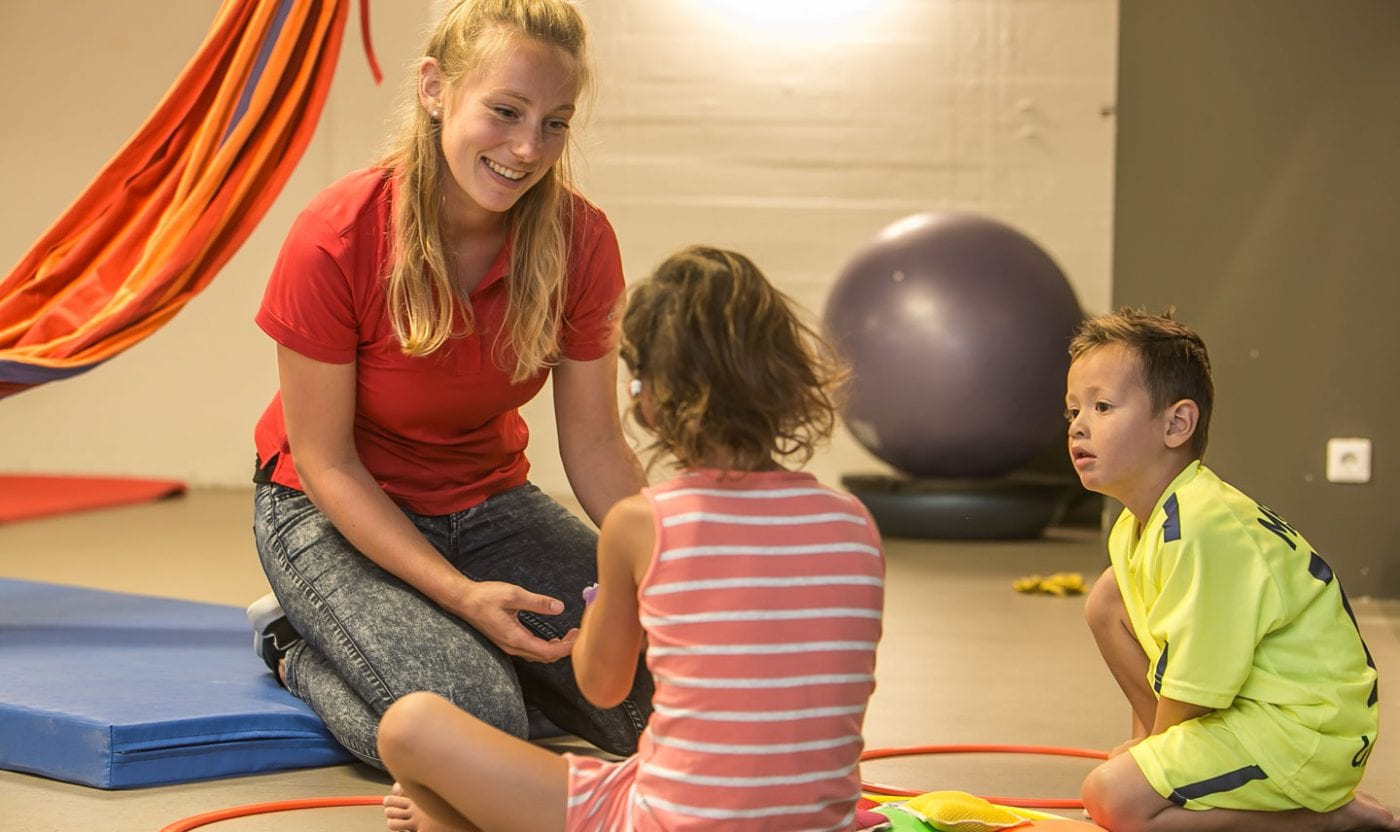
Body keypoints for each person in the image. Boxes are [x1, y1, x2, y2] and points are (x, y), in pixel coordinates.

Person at [245, 0, 653, 770]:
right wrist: (459, 596)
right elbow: (328, 463)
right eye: (505, 111)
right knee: (478, 729)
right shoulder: (336, 236)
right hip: (328, 507)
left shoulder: (581, 239)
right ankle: (295, 647)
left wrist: (676, 567)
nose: (528, 148)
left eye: (555, 122)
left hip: (488, 501)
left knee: (667, 698)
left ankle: (447, 652)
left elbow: (597, 444)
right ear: (435, 89)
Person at [376, 245, 888, 832]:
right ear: (787, 377)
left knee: (410, 726)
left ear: (646, 400)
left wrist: (606, 607)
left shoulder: (642, 524)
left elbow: (601, 686)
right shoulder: (854, 522)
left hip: (664, 820)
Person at [1067, 307, 1396, 832]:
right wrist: (1154, 755)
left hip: (1303, 732)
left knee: (1112, 799)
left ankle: (1327, 819)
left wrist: (1145, 777)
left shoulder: (1200, 526)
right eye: (1074, 411)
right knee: (1109, 597)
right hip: (1257, 716)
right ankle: (1172, 764)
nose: (1079, 425)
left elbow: (1193, 686)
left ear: (1176, 424)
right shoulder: (1137, 526)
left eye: (1102, 406)